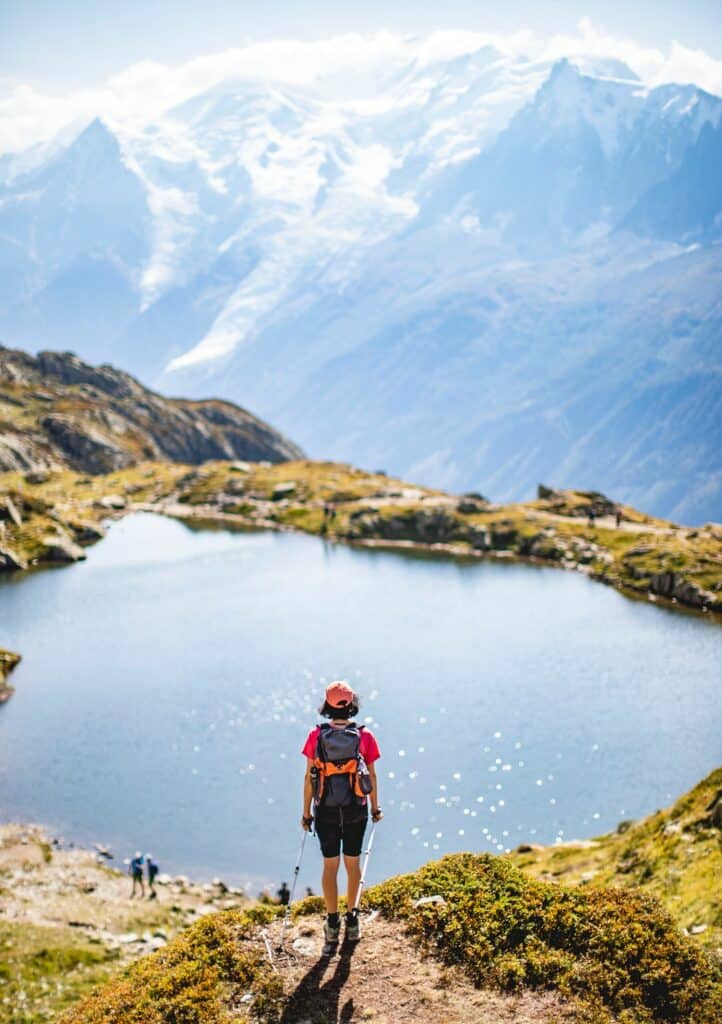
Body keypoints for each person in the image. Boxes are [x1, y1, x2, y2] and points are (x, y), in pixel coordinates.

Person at [301, 680, 382, 948]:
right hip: (355, 809)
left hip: (325, 810)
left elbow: (309, 777)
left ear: (326, 705)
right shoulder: (365, 736)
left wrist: (306, 813)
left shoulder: (316, 735)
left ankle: (333, 923)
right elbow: (371, 775)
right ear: (352, 705)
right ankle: (353, 920)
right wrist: (374, 807)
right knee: (353, 865)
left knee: (330, 867)